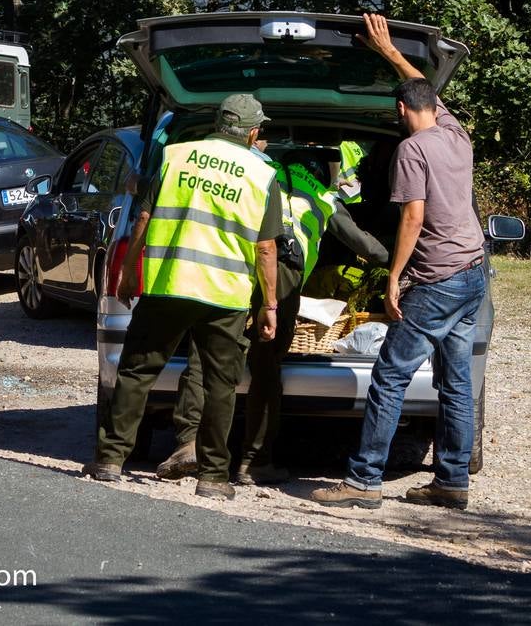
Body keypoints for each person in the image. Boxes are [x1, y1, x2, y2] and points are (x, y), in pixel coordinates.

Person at [312, 12, 487, 511]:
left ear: (399, 111)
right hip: (471, 273)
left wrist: (394, 277)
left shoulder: (411, 149)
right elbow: (421, 88)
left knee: (390, 375)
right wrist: (388, 51)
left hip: (436, 280)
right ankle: (451, 482)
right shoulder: (455, 134)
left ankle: (363, 482)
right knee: (456, 381)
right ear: (434, 107)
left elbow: (412, 217)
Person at [82, 94, 280, 500]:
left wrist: (127, 272)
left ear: (217, 122)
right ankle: (213, 479)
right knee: (220, 384)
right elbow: (265, 249)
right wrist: (270, 304)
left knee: (138, 371)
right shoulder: (263, 176)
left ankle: (109, 460)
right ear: (254, 132)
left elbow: (142, 218)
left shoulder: (176, 156)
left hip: (169, 284)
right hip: (225, 295)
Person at [154, 151, 390, 486]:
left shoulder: (261, 176)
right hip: (282, 273)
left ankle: (189, 443)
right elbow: (368, 247)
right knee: (266, 366)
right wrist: (397, 259)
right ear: (324, 173)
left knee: (207, 352)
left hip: (239, 262)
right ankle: (255, 462)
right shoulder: (324, 197)